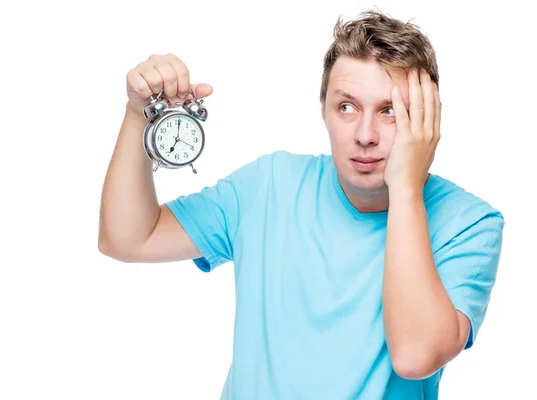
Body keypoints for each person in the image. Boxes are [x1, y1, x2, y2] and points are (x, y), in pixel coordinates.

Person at [98, 9, 505, 400]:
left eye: (390, 112)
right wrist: (138, 116)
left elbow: (415, 356)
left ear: (427, 120)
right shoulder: (270, 184)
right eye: (347, 107)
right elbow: (129, 239)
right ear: (323, 109)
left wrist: (405, 188)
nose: (365, 134)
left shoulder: (469, 223)